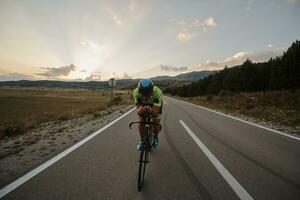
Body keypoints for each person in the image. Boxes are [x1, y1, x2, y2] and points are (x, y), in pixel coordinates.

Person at [132, 79, 163, 150]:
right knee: (141, 120)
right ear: (139, 92)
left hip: (154, 103)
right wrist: (141, 110)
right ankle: (142, 140)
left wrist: (152, 111)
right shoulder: (136, 92)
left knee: (156, 121)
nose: (145, 97)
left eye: (147, 94)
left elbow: (155, 113)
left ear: (152, 91)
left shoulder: (157, 92)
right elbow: (138, 111)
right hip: (143, 104)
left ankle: (155, 137)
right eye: (143, 94)